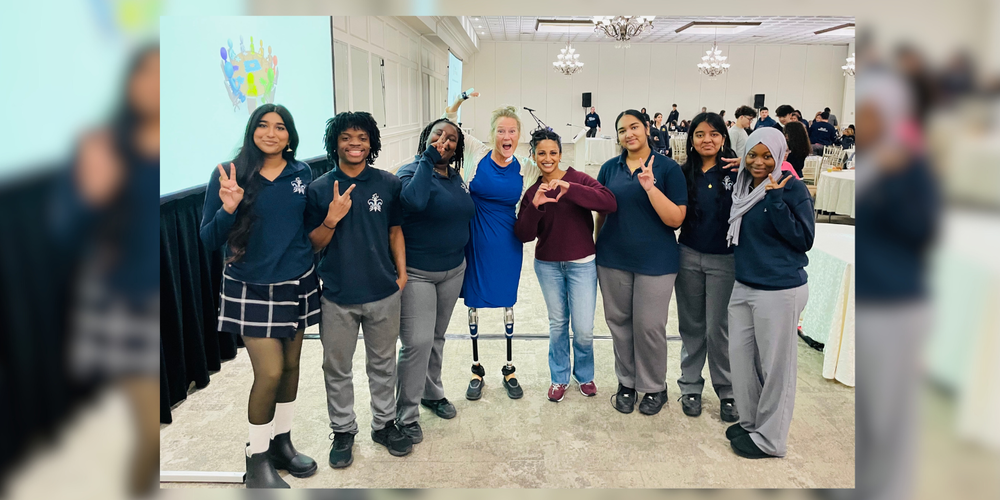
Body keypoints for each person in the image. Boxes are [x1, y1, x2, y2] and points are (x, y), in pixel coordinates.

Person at [200, 104, 319, 488]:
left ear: (290, 135)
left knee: (291, 367)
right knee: (269, 372)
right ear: (252, 131)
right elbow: (208, 239)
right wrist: (228, 208)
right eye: (263, 125)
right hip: (250, 286)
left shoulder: (301, 172)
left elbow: (303, 227)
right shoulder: (230, 173)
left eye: (280, 127)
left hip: (297, 281)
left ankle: (282, 443)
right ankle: (257, 459)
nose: (271, 133)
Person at [306, 111, 412, 468]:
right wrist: (331, 218)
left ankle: (384, 424)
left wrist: (401, 276)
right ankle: (342, 431)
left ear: (371, 143)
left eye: (362, 138)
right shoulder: (319, 189)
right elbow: (314, 244)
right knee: (336, 368)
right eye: (347, 138)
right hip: (337, 295)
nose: (355, 144)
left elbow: (395, 231)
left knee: (382, 365)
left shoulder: (388, 183)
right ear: (335, 143)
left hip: (383, 292)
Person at [724, 127, 814, 460]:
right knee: (741, 359)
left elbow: (803, 239)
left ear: (779, 156)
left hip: (780, 289)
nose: (759, 162)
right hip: (745, 284)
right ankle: (752, 423)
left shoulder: (791, 188)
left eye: (767, 156)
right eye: (752, 154)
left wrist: (775, 201)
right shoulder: (743, 187)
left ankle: (771, 439)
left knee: (776, 368)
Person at [445, 91, 541, 400]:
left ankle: (509, 368)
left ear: (519, 135)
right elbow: (450, 124)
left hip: (507, 243)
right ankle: (476, 368)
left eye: (512, 131)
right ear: (492, 133)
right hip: (474, 239)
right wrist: (460, 100)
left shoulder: (525, 167)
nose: (506, 136)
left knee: (507, 302)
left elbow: (553, 169)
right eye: (501, 130)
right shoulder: (476, 152)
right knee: (473, 304)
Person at [595, 110, 688, 416]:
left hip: (656, 260)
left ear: (647, 128)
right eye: (622, 130)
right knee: (619, 323)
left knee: (649, 326)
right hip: (613, 258)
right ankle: (627, 382)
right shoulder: (609, 168)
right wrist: (597, 246)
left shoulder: (668, 168)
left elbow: (676, 219)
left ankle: (654, 386)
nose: (629, 134)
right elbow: (601, 213)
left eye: (634, 127)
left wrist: (650, 187)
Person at [514, 129, 617, 402]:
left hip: (582, 264)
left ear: (560, 154)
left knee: (583, 328)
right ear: (534, 156)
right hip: (548, 266)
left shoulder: (578, 179)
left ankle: (584, 374)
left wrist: (571, 189)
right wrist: (535, 206)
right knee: (558, 324)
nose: (547, 158)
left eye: (553, 152)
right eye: (541, 153)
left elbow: (608, 202)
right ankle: (559, 377)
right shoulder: (533, 191)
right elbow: (523, 235)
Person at [393, 118, 475, 444]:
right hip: (418, 273)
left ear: (458, 148)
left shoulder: (455, 177)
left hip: (453, 269)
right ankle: (405, 413)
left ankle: (432, 392)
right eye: (438, 134)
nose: (445, 141)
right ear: (426, 138)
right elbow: (413, 201)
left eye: (452, 138)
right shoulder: (410, 171)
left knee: (437, 337)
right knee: (417, 342)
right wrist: (427, 159)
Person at [675, 112, 740, 423]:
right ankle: (690, 386)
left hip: (725, 260)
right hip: (688, 255)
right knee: (691, 325)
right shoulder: (682, 172)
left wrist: (748, 167)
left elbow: (777, 173)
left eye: (714, 134)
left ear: (723, 138)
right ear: (691, 139)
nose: (707, 140)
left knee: (719, 328)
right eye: (700, 134)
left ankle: (727, 390)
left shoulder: (736, 171)